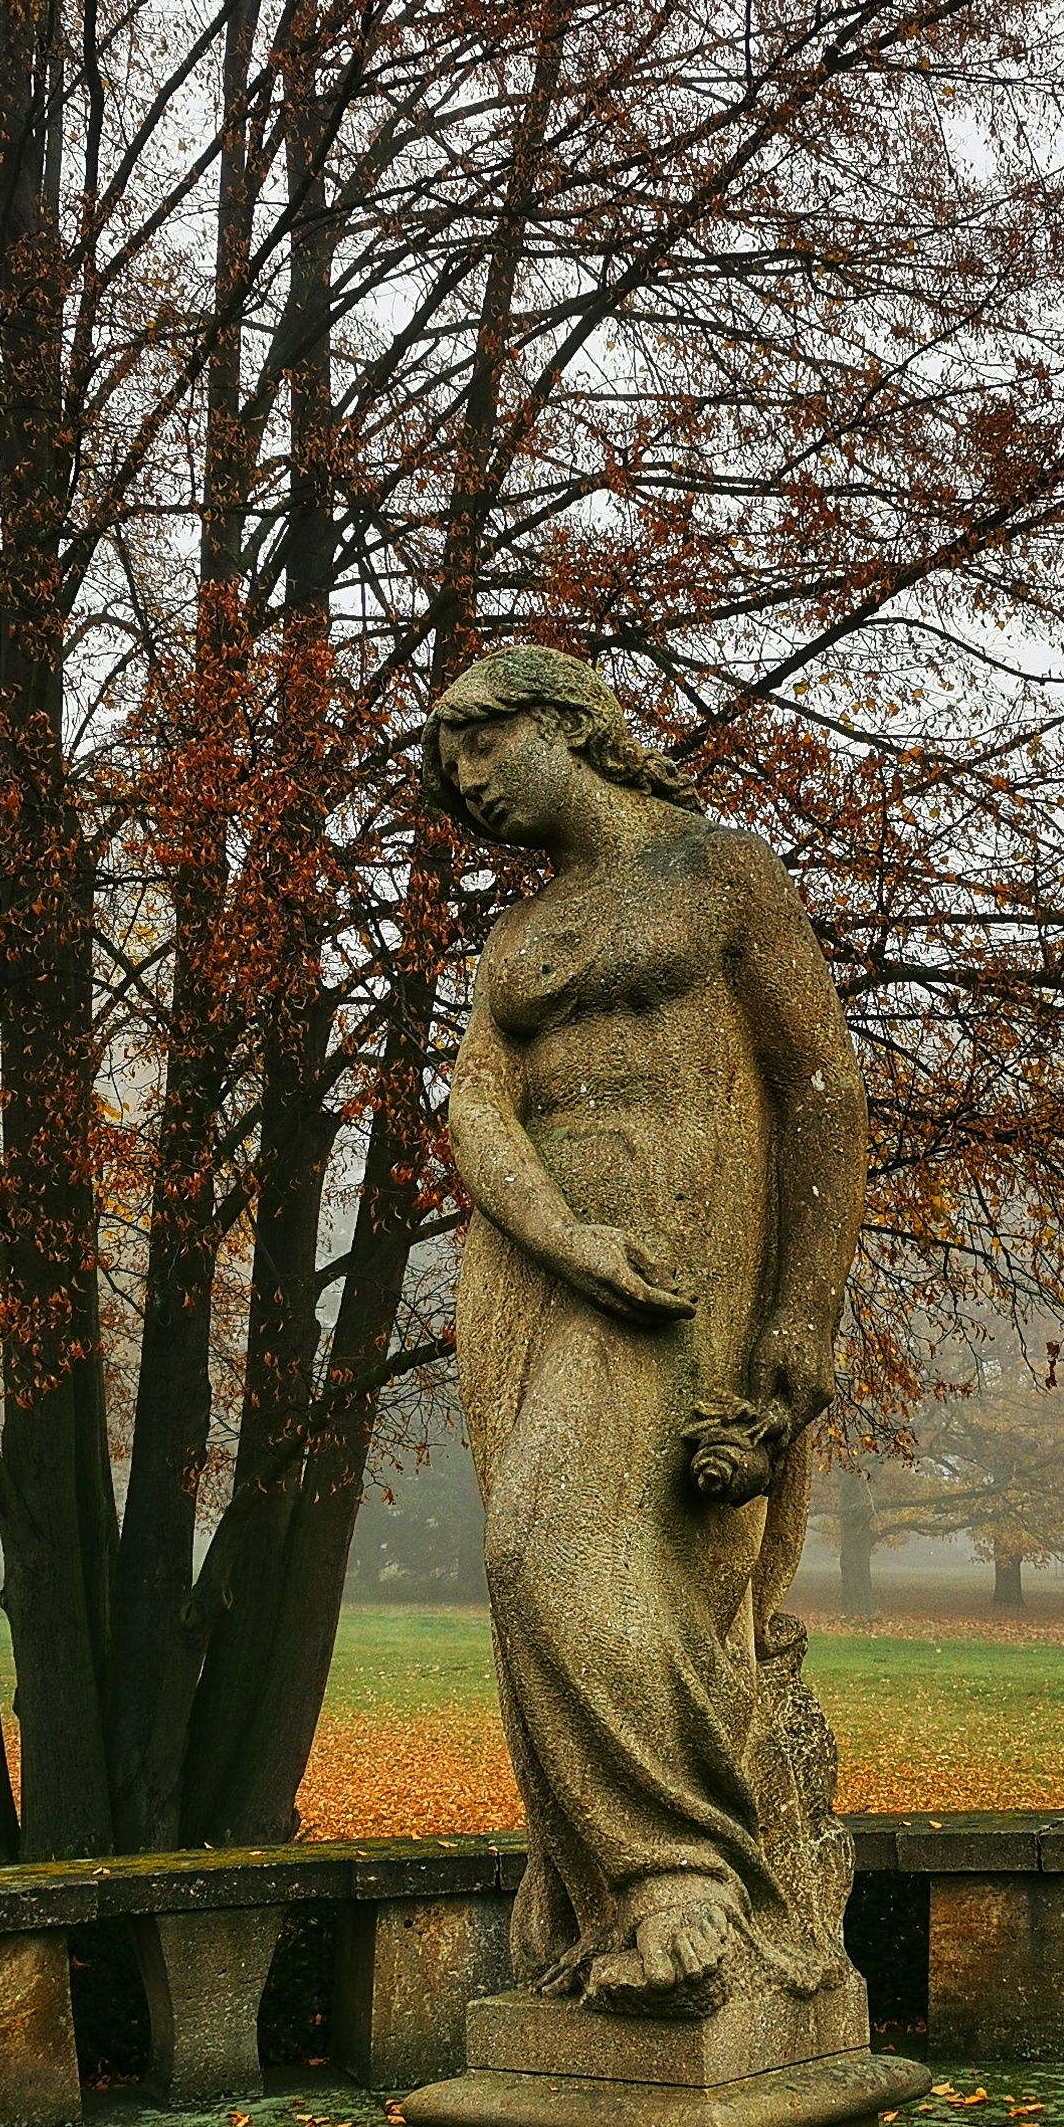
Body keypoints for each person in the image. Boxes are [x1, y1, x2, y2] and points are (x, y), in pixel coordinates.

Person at [425, 642, 868, 2016]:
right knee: (535, 1562)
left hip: (693, 1271)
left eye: (481, 746)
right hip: (541, 1281)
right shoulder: (518, 938)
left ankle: (682, 1876)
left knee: (583, 1559)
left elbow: (821, 1092)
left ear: (564, 723)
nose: (464, 782)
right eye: (447, 766)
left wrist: (805, 1315)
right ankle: (639, 1887)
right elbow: (474, 1113)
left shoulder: (722, 875)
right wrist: (565, 1239)